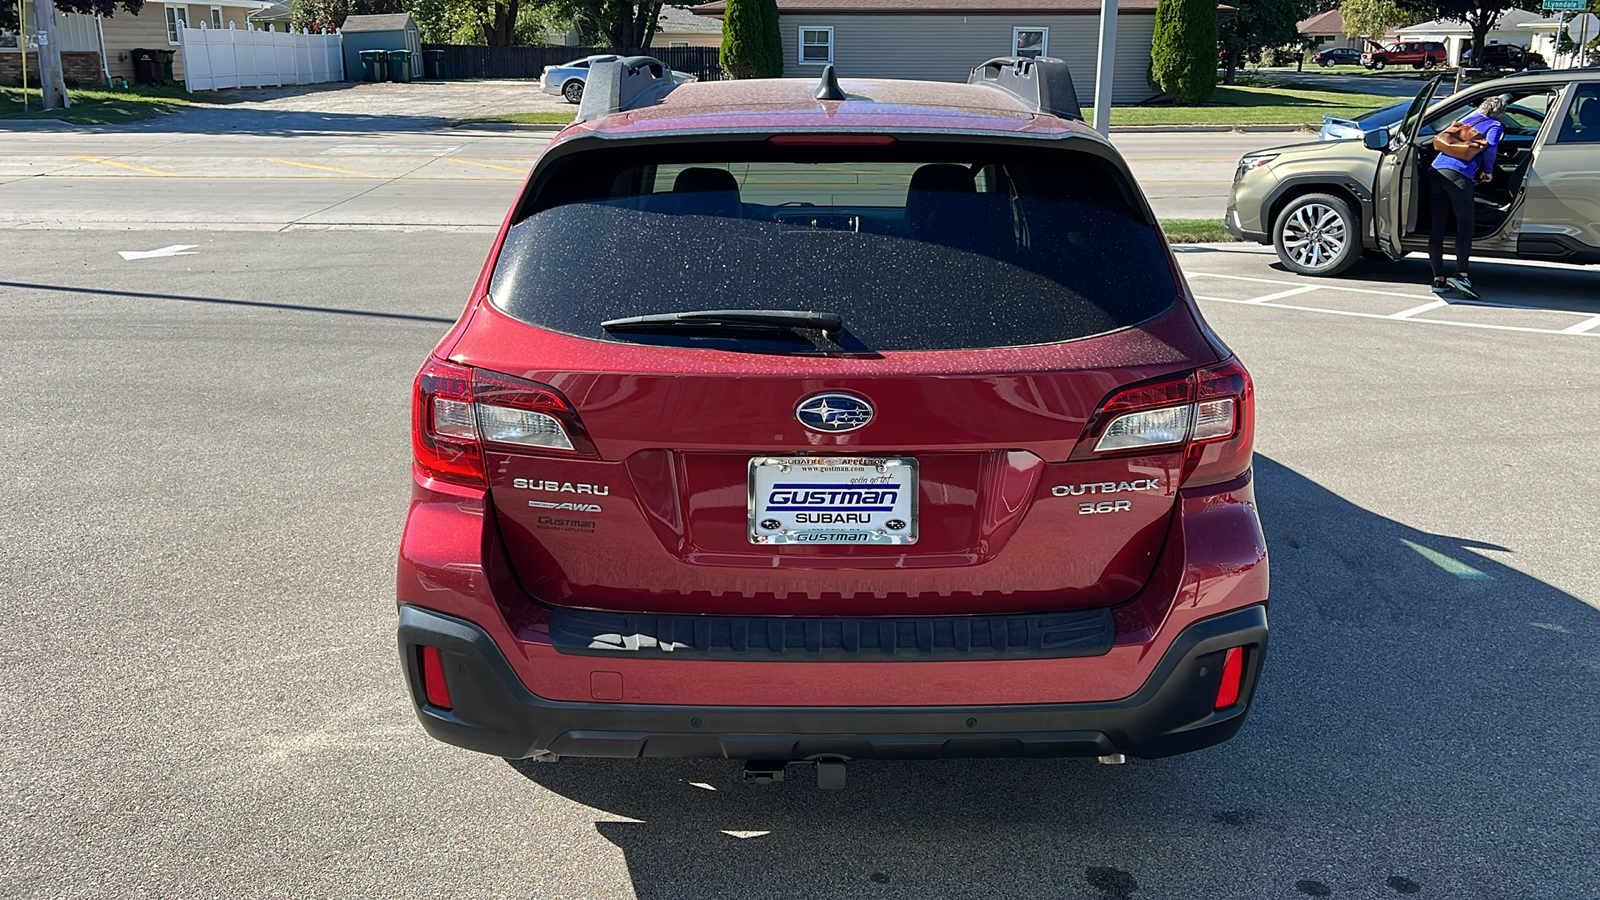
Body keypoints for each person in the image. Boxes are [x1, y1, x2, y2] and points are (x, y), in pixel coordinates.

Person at [1428, 95, 1507, 300]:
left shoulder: (1467, 119)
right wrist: (1488, 171)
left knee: (1438, 226)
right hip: (1459, 176)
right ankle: (1461, 275)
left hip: (1436, 171)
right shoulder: (1495, 125)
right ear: (1499, 113)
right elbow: (1490, 148)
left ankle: (1438, 279)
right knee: (1465, 225)